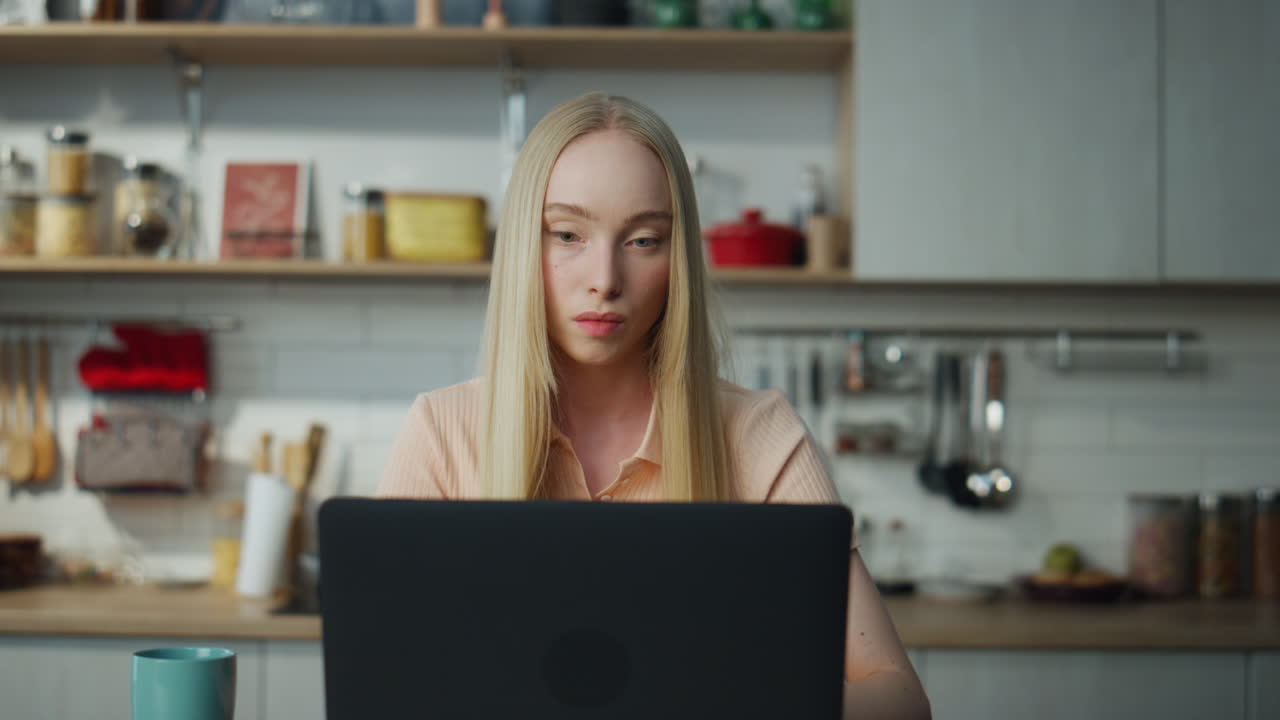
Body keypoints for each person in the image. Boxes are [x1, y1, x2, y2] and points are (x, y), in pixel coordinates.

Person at [378, 91, 931, 720]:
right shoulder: (442, 432)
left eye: (643, 241)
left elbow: (899, 698)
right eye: (566, 234)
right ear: (523, 250)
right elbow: (391, 682)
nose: (604, 277)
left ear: (679, 260)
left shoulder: (760, 435)